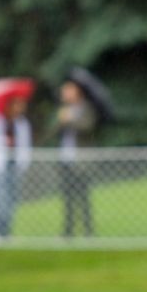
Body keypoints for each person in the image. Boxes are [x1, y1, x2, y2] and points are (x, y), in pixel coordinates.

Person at [57, 75, 98, 236]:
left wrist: (70, 120)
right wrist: (62, 121)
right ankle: (68, 231)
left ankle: (88, 231)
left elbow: (87, 126)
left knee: (83, 197)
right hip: (66, 159)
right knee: (67, 198)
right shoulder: (64, 109)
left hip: (81, 161)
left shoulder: (86, 108)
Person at [0, 95, 32, 237]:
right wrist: (4, 141)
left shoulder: (22, 124)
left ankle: (6, 230)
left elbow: (25, 145)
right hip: (0, 165)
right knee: (0, 198)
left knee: (12, 199)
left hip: (15, 166)